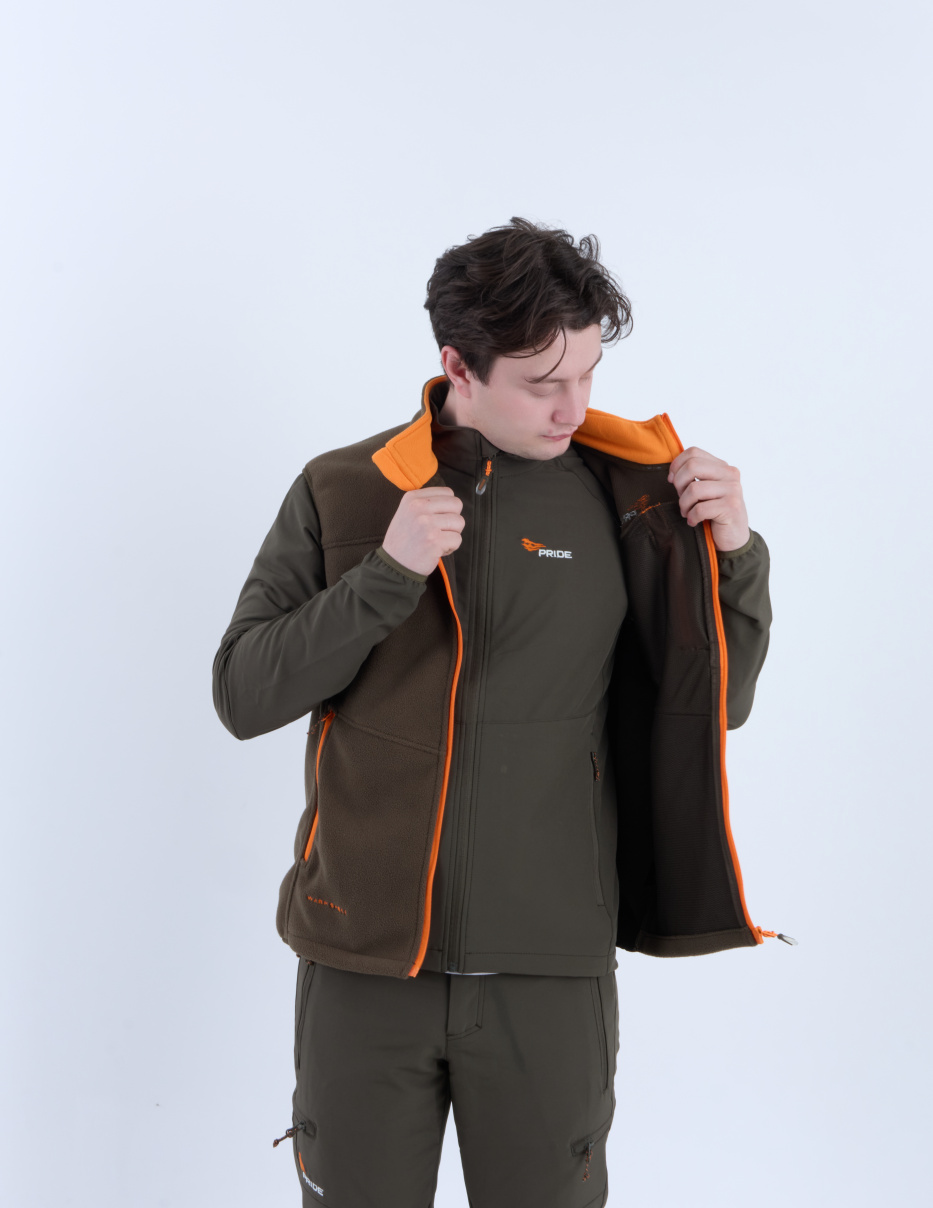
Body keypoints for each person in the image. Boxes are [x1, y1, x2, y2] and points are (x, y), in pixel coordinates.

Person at [211, 217, 774, 1208]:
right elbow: (244, 693)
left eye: (587, 373)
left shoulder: (633, 499)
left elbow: (712, 706)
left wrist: (733, 555)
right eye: (542, 381)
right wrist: (384, 576)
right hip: (364, 961)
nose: (573, 406)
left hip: (546, 966)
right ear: (457, 367)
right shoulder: (345, 490)